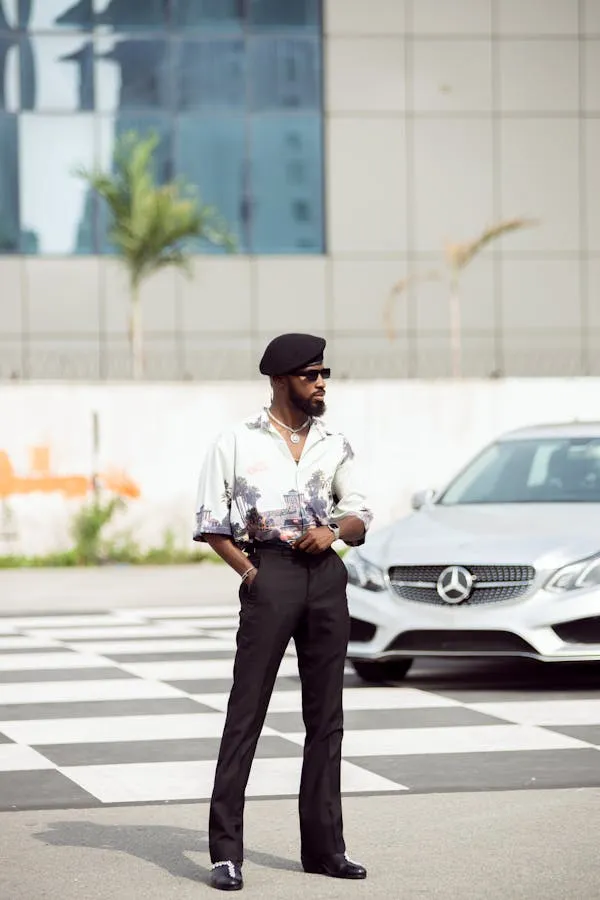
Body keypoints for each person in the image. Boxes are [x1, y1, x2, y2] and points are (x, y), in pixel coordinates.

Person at [194, 333, 372, 892]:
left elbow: (361, 512)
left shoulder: (333, 441)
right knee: (245, 715)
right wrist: (252, 575)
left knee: (327, 719)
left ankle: (324, 849)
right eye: (311, 375)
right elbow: (210, 523)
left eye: (324, 374)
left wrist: (335, 532)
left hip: (326, 581)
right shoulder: (235, 441)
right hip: (268, 574)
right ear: (279, 380)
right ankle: (226, 853)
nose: (321, 384)